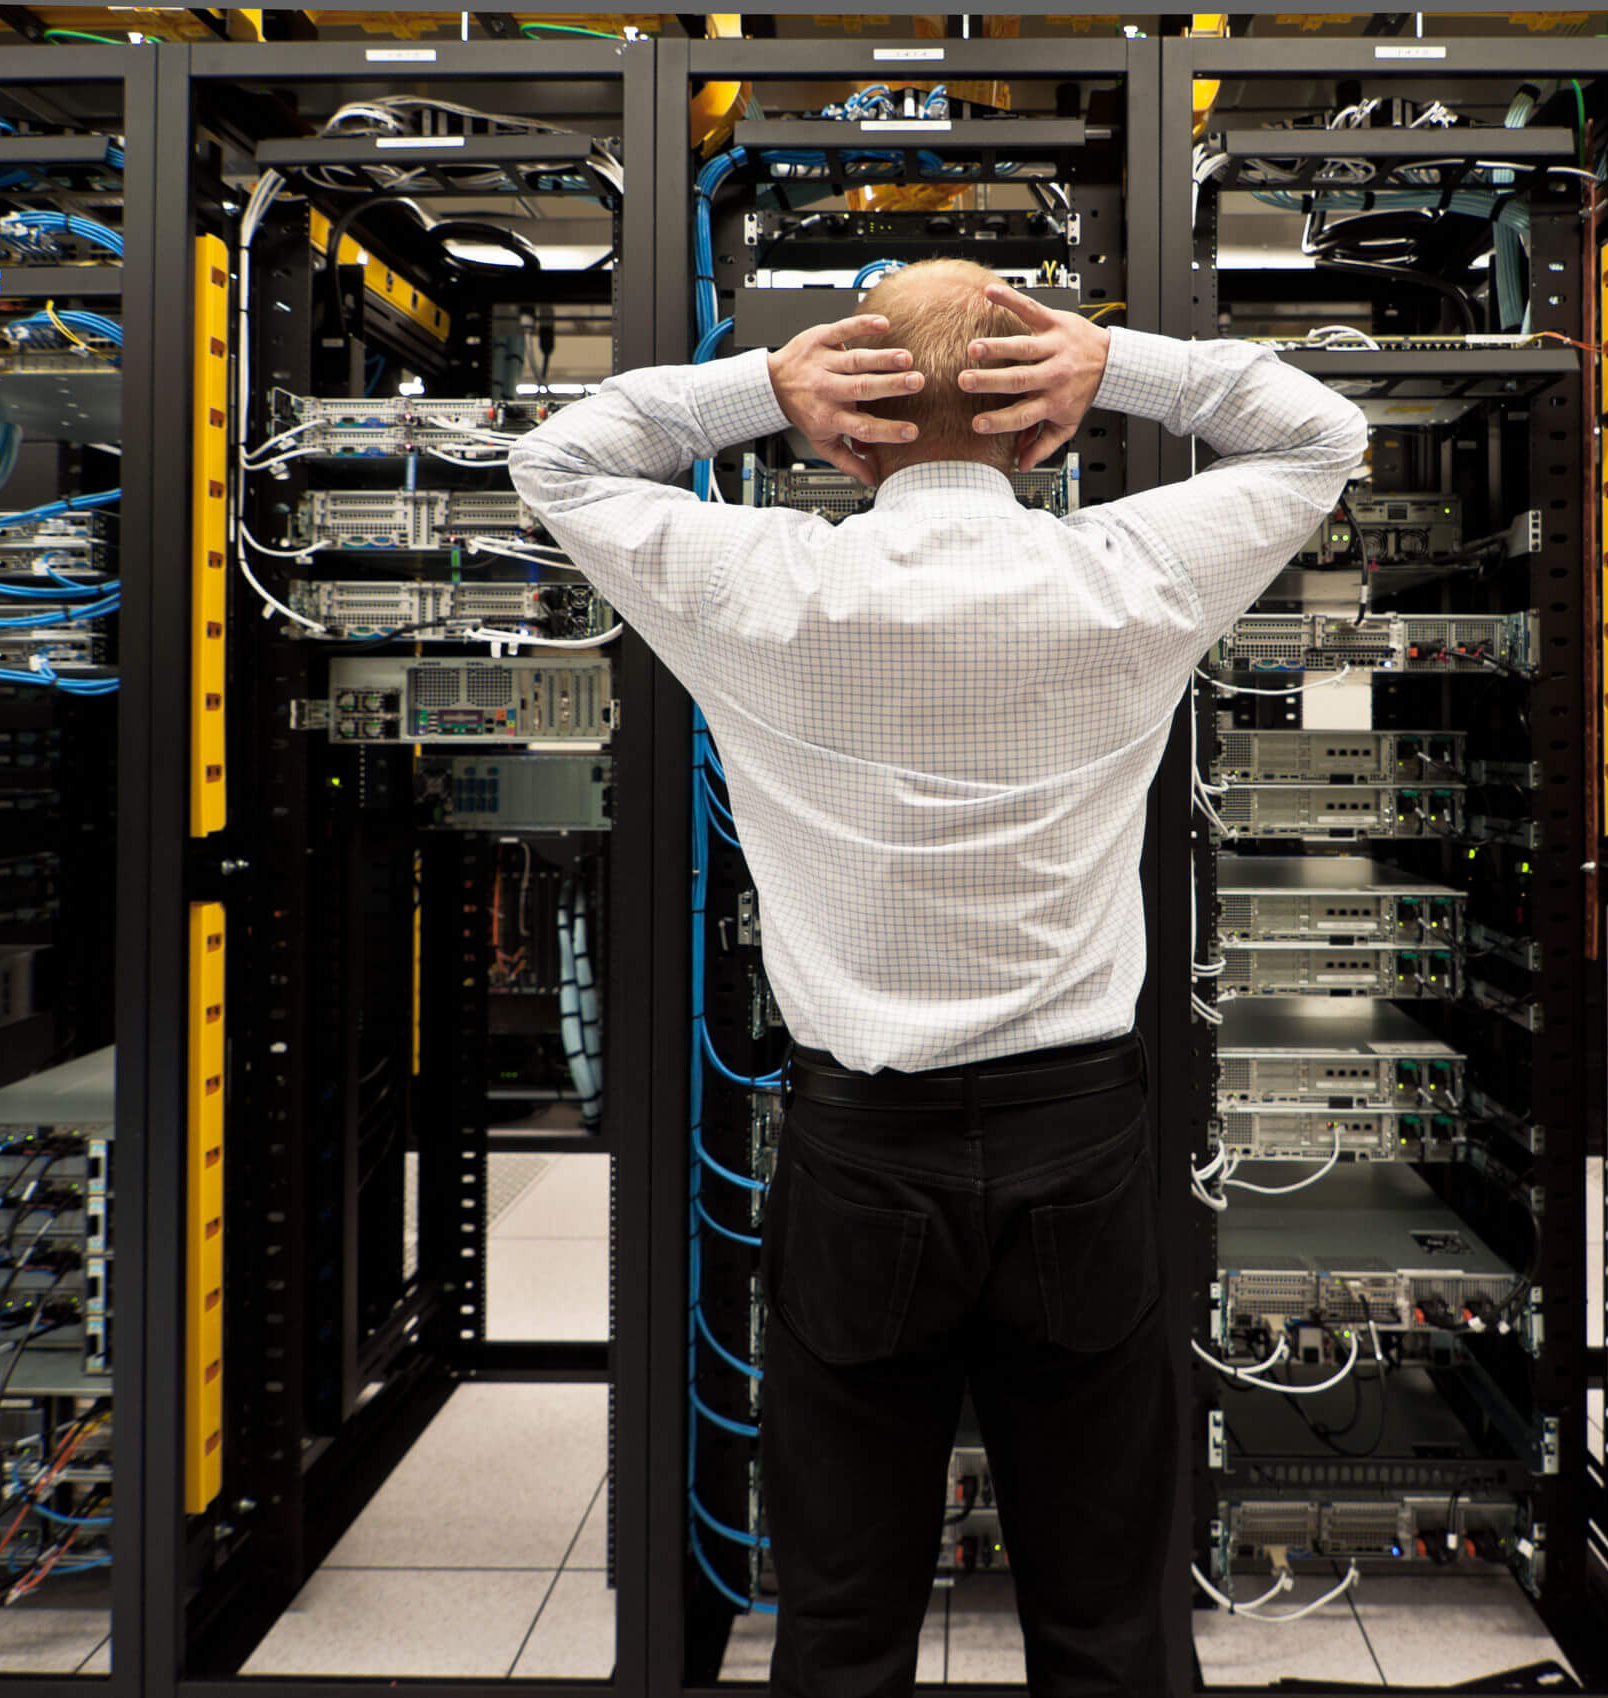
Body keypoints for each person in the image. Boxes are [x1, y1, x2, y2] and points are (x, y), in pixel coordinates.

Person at [510, 259, 1366, 1698]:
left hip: (860, 1155)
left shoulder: (762, 580)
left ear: (853, 427)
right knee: (1107, 1618)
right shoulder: (1131, 571)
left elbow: (562, 456)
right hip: (1081, 1148)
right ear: (1046, 430)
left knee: (843, 1620)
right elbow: (1320, 432)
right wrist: (1124, 361)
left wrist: (758, 391)